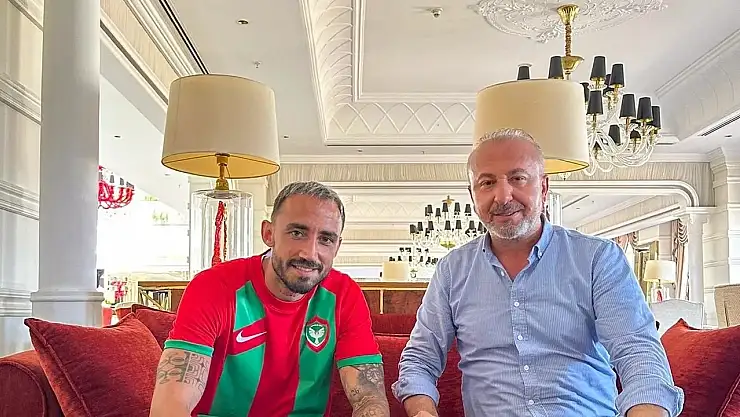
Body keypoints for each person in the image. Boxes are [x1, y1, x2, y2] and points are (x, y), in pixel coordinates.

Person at [392, 129, 684, 417]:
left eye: (518, 178)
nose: (502, 196)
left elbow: (637, 350)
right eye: (487, 182)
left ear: (543, 188)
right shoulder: (452, 271)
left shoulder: (598, 259)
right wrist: (422, 411)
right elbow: (420, 359)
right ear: (473, 195)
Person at [150, 181, 390, 417]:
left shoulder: (344, 296)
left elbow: (369, 399)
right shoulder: (214, 287)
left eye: (326, 239)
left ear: (337, 247)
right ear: (269, 233)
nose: (309, 253)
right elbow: (171, 402)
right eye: (297, 233)